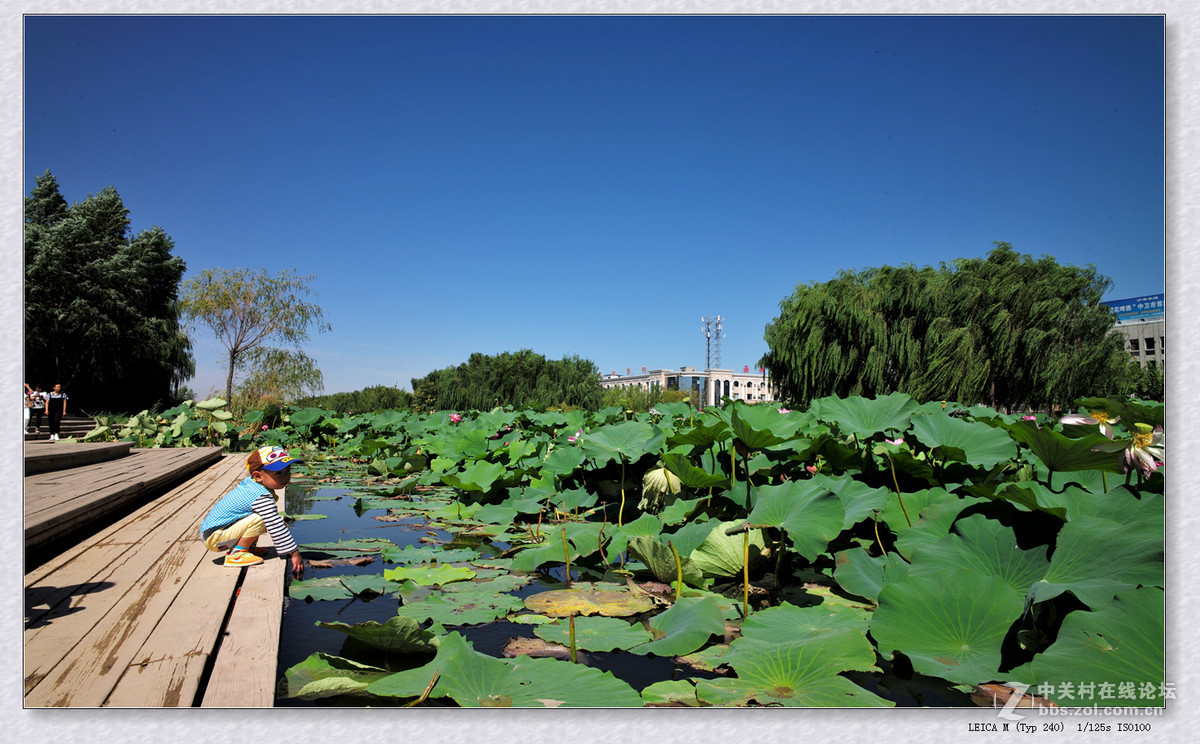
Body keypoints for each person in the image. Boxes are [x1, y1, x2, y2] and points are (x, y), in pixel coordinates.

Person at [199, 445, 306, 577]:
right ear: (258, 476)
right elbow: (274, 524)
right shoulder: (260, 495)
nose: (285, 477)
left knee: (266, 516)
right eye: (278, 473)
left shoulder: (252, 485)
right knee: (264, 518)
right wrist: (294, 553)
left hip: (212, 533)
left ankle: (247, 547)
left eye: (287, 471)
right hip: (215, 537)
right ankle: (237, 553)